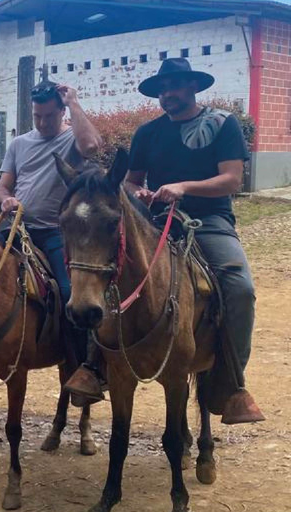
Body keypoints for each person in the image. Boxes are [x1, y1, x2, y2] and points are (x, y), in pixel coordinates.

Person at [113, 57, 261, 423]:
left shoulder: (221, 123)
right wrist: (140, 194)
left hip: (208, 220)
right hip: (156, 222)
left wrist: (184, 187)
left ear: (193, 87)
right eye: (163, 89)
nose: (168, 94)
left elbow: (231, 179)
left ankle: (230, 384)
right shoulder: (148, 133)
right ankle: (94, 366)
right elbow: (131, 180)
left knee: (240, 289)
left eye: (175, 86)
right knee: (104, 272)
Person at [0, 80, 103, 404]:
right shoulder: (18, 144)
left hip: (55, 232)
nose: (42, 123)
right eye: (37, 116)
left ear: (61, 111)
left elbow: (93, 148)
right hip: (16, 226)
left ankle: (87, 366)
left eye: (48, 117)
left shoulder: (72, 137)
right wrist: (5, 199)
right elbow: (3, 186)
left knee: (71, 292)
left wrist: (74, 102)